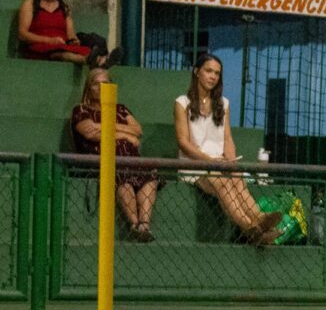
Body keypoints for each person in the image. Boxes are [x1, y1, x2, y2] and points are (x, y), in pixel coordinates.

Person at [173, 53, 282, 245]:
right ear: (197, 72)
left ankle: (257, 225)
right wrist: (210, 160)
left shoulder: (224, 103)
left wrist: (231, 162)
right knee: (221, 180)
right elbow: (183, 143)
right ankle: (251, 226)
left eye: (217, 73)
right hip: (195, 165)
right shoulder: (182, 103)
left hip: (219, 162)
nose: (213, 76)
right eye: (208, 71)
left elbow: (227, 138)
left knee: (237, 178)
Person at [71, 68, 158, 242]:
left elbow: (137, 130)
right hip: (103, 159)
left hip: (132, 158)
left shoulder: (121, 109)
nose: (101, 87)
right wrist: (125, 134)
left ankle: (144, 225)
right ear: (89, 87)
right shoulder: (81, 110)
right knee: (122, 176)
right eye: (96, 83)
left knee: (151, 176)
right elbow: (91, 134)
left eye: (105, 83)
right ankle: (135, 224)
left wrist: (104, 125)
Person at [17, 0, 114, 66]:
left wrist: (73, 40)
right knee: (61, 54)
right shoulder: (30, 3)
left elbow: (70, 33)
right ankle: (89, 60)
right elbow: (22, 34)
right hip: (40, 48)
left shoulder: (63, 7)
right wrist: (49, 40)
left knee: (83, 49)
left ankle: (102, 60)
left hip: (62, 45)